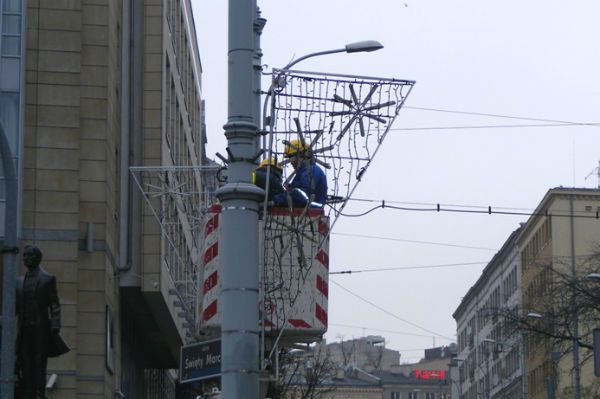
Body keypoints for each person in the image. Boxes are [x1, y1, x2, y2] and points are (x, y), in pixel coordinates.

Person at [16, 245, 69, 399]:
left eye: (30, 255)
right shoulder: (19, 282)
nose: (26, 258)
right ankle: (28, 393)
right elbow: (14, 307)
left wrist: (55, 324)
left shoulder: (47, 279)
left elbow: (54, 304)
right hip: (24, 329)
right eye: (24, 255)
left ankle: (39, 394)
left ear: (38, 258)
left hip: (40, 328)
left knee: (39, 362)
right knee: (24, 360)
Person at [283, 139, 328, 208]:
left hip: (310, 212)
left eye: (292, 157)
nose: (291, 162)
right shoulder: (302, 172)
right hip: (304, 212)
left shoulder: (311, 170)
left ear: (303, 155)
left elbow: (302, 195)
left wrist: (284, 196)